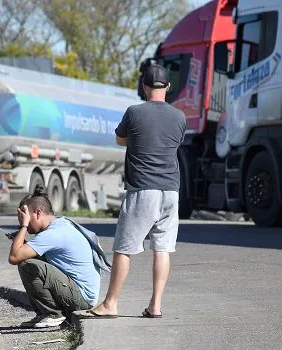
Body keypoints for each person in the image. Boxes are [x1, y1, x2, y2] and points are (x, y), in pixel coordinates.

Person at [82, 64, 186, 319]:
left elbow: (120, 139)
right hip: (171, 191)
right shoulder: (180, 117)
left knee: (124, 248)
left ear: (144, 87)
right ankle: (156, 305)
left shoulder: (134, 112)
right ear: (168, 87)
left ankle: (110, 304)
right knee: (162, 249)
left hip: (143, 190)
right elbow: (174, 142)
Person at [8, 186, 111, 328]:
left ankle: (52, 314)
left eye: (24, 217)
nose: (21, 221)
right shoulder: (62, 223)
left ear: (38, 213)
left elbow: (14, 257)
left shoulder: (53, 233)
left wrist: (24, 227)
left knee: (27, 265)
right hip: (81, 292)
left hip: (82, 298)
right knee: (31, 260)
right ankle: (47, 313)